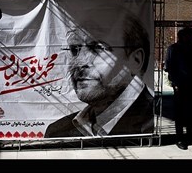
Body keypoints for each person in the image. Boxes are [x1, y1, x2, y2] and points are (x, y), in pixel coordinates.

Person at [45, 10, 154, 138]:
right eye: (75, 50)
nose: (79, 62)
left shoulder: (152, 122)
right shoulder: (57, 131)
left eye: (97, 48)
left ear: (136, 60)